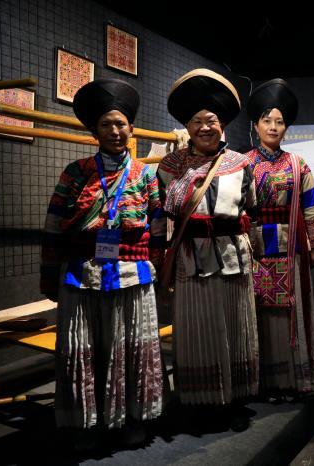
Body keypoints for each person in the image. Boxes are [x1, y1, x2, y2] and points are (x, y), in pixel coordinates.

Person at [40, 79, 164, 449]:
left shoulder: (144, 174)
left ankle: (130, 418)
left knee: (130, 348)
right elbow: (53, 226)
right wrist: (49, 274)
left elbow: (158, 228)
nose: (114, 131)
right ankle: (86, 422)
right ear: (95, 131)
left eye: (120, 123)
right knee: (84, 348)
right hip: (83, 274)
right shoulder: (76, 173)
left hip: (131, 275)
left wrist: (158, 269)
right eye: (106, 124)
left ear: (131, 128)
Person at [158, 69, 258, 430]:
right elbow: (161, 216)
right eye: (196, 121)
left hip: (233, 258)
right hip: (191, 259)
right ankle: (200, 400)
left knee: (234, 326)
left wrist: (256, 256)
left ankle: (235, 396)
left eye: (211, 120)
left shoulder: (241, 164)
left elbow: (251, 210)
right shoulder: (170, 166)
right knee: (195, 328)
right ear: (187, 127)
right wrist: (158, 261)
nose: (204, 127)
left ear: (223, 125)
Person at [245, 78, 314, 397]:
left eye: (279, 122)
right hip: (255, 248)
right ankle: (261, 381)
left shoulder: (297, 164)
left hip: (290, 248)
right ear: (256, 125)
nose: (273, 127)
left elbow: (311, 207)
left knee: (289, 310)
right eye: (267, 121)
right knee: (259, 311)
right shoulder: (243, 164)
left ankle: (291, 378)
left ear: (286, 128)